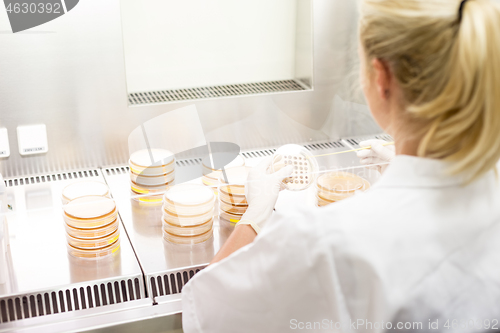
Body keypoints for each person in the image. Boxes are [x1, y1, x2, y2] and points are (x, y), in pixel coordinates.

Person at [182, 0, 500, 331]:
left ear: (381, 77)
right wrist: (404, 174)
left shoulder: (324, 243)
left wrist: (254, 219)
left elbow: (205, 315)